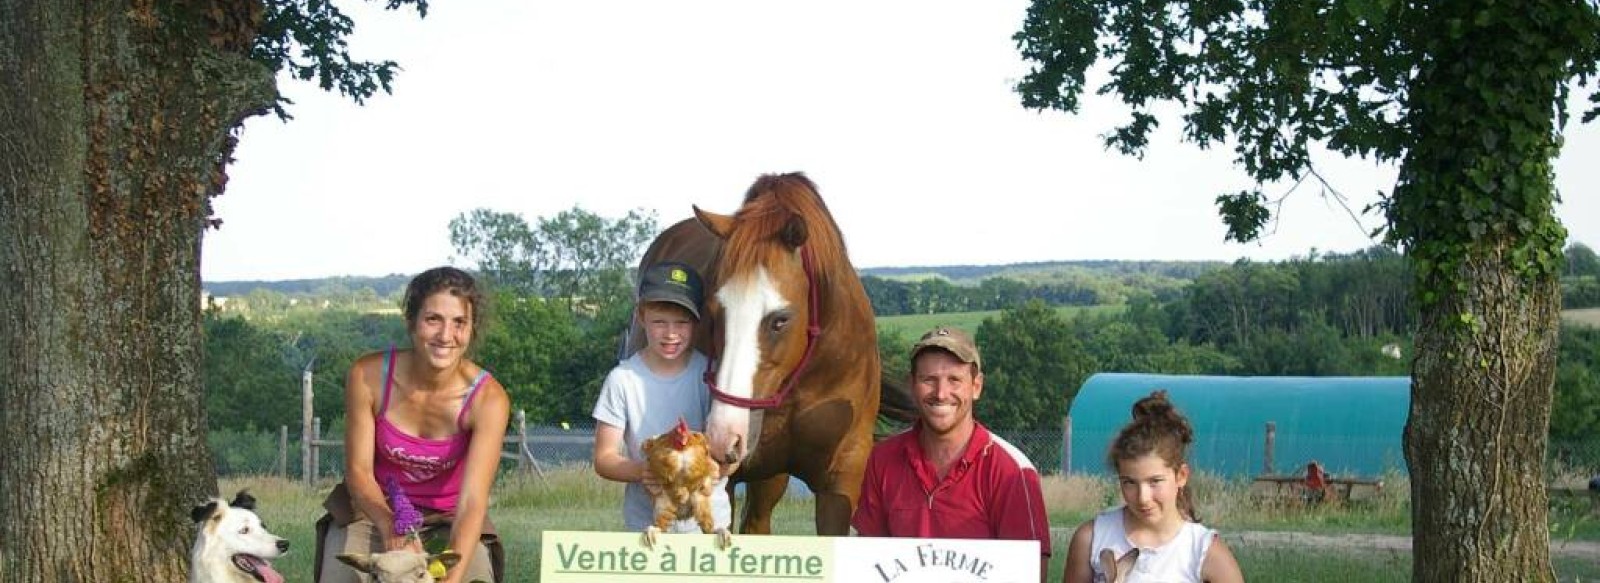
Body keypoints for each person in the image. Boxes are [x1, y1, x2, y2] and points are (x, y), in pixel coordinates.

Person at [316, 267, 510, 583]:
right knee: (343, 576)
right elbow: (359, 473)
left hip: (450, 517)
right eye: (433, 319)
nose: (446, 336)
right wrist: (392, 526)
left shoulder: (489, 399)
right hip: (373, 509)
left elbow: (473, 501)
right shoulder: (367, 376)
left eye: (459, 322)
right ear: (411, 322)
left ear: (472, 329)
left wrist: (450, 578)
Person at [852, 326, 1052, 583]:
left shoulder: (1012, 471)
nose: (941, 393)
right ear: (911, 385)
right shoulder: (882, 460)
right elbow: (868, 559)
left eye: (954, 380)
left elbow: (1031, 572)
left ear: (976, 386)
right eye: (929, 380)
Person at [592, 261, 733, 534]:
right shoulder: (622, 379)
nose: (670, 334)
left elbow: (733, 452)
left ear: (696, 322)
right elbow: (604, 458)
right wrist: (643, 471)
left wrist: (720, 469)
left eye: (682, 323)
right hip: (647, 526)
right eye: (659, 322)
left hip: (710, 525)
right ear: (641, 317)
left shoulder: (711, 375)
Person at [1062, 390, 1244, 583]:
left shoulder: (1204, 552)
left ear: (1181, 476)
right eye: (1129, 482)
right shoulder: (1091, 538)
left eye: (1155, 481)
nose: (1143, 497)